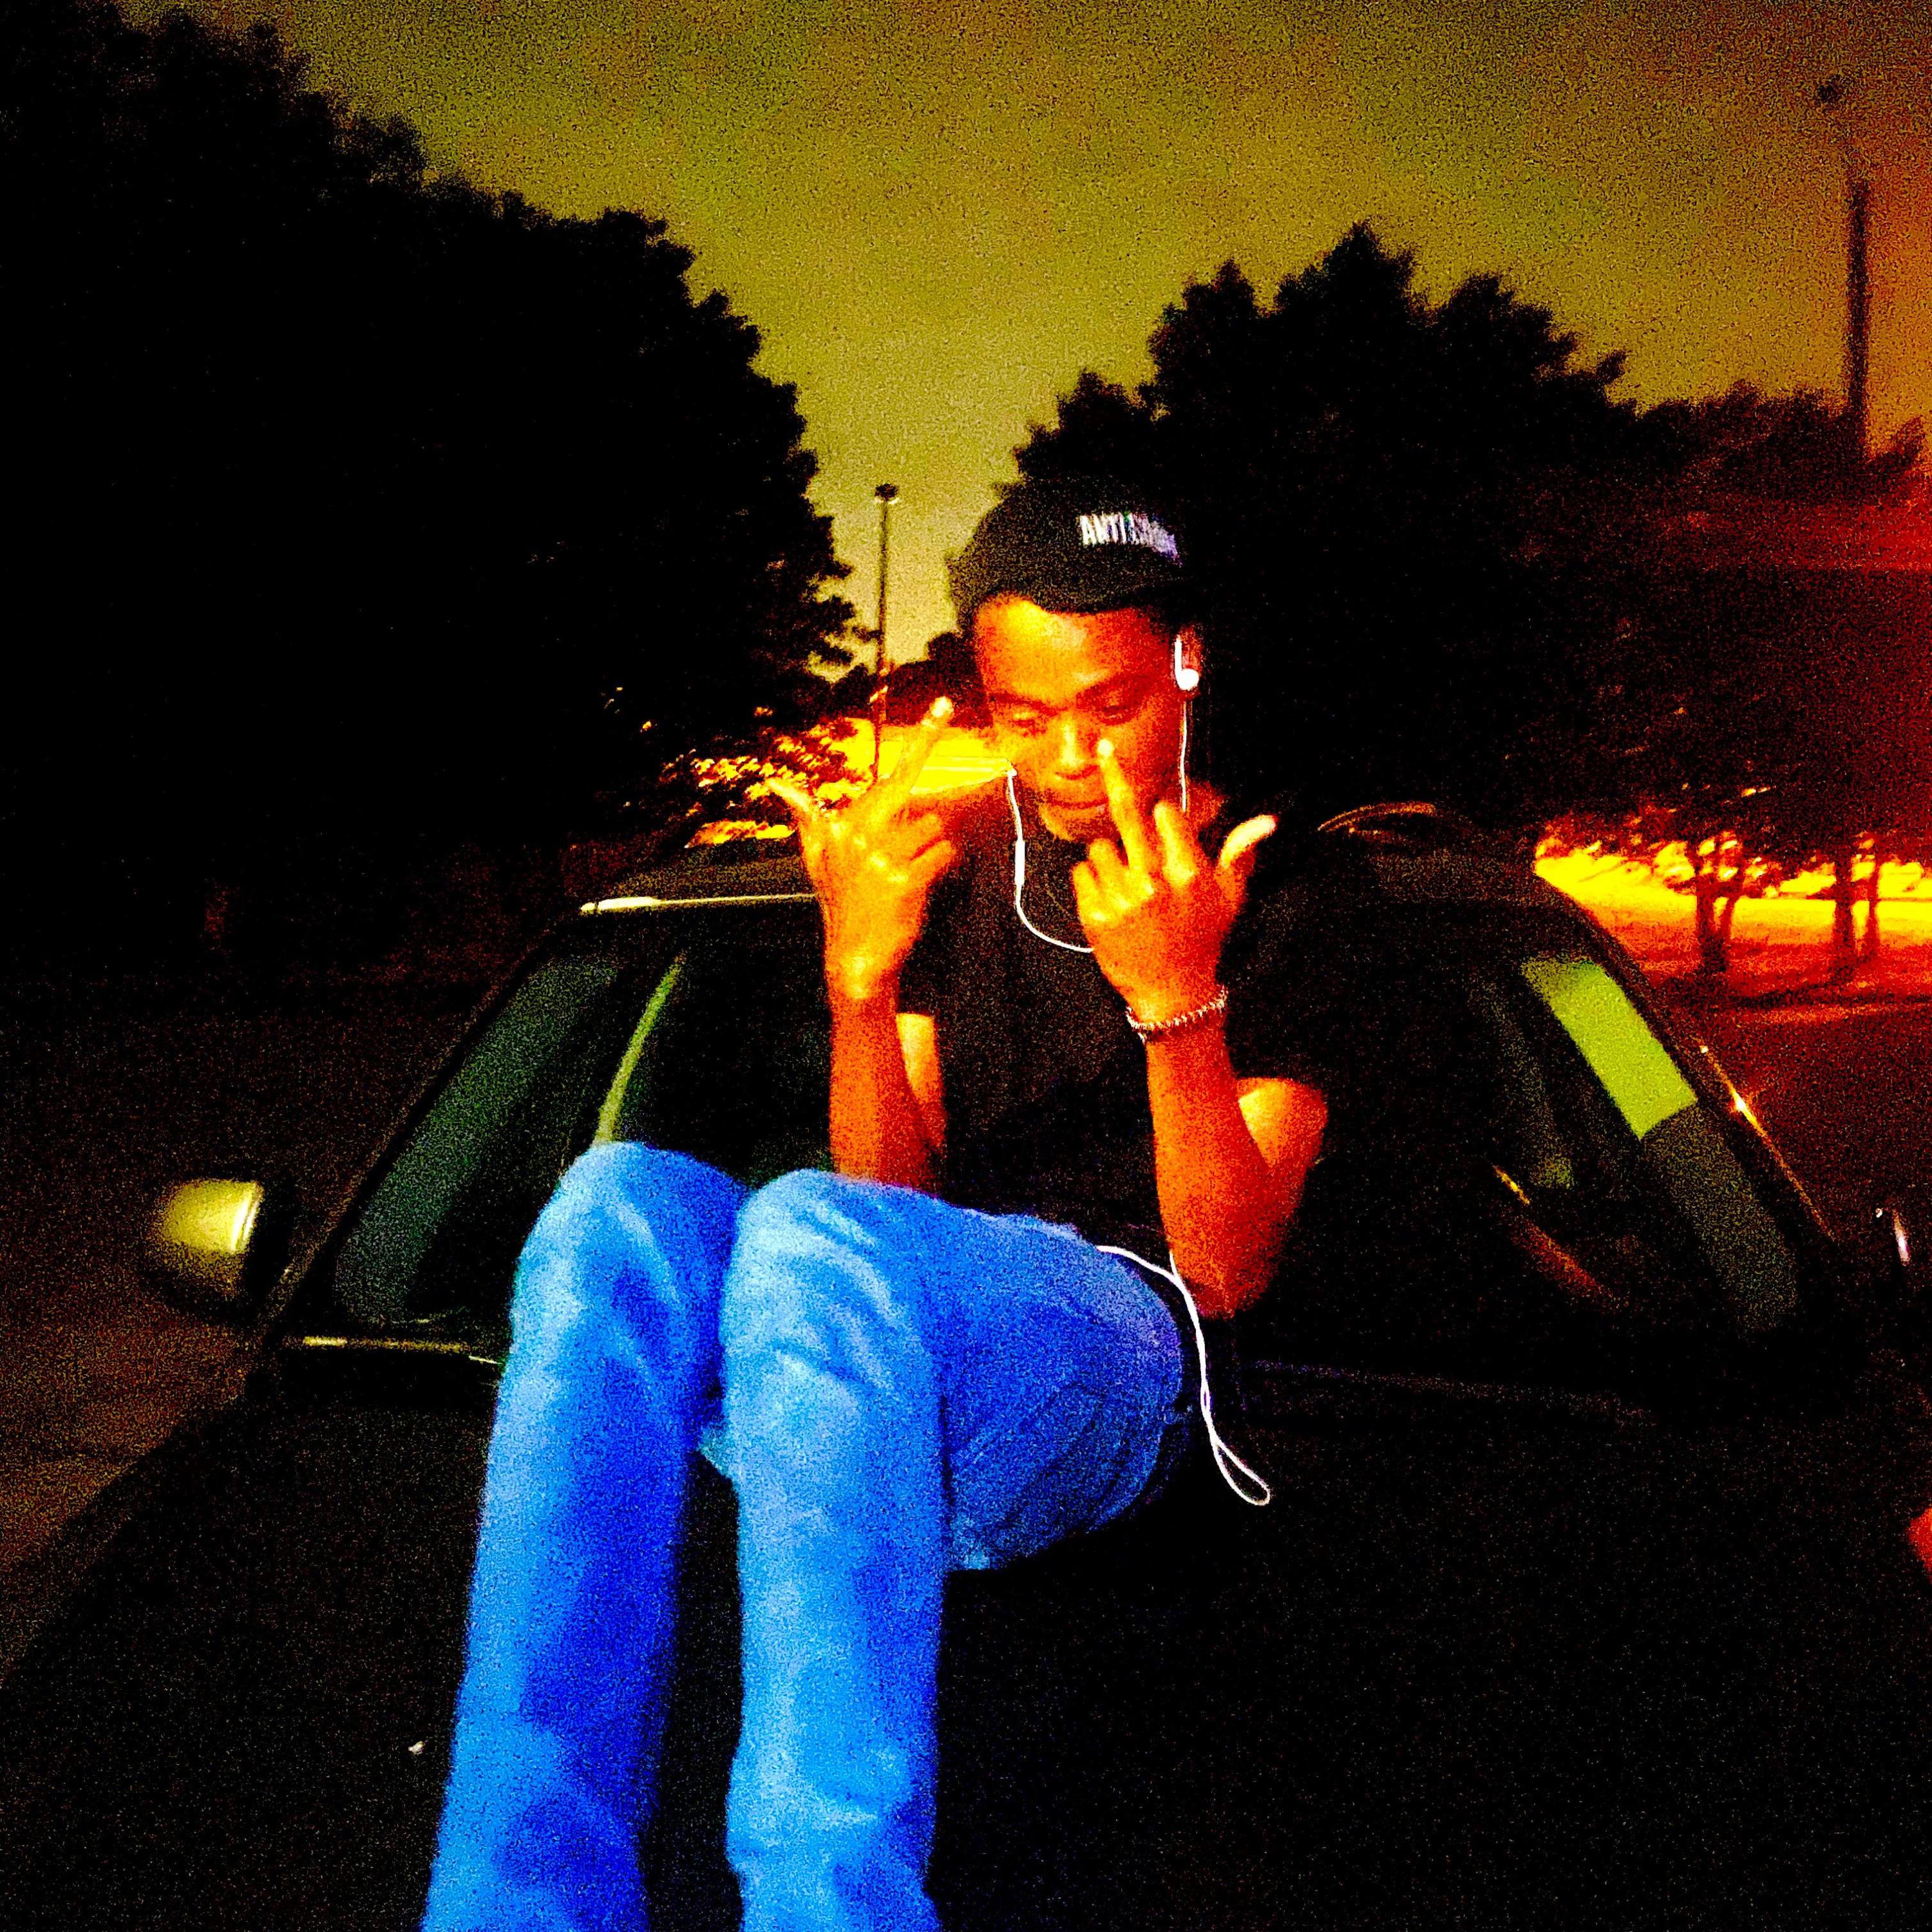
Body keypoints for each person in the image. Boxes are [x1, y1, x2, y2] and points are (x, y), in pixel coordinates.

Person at [421, 477, 1333, 1932]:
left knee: (802, 1227)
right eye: (1026, 717)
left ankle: (831, 1908)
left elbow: (1226, 1267)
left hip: (1121, 1368)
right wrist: (860, 984)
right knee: (610, 1208)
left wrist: (1178, 1004)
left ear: (1186, 661)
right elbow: (885, 1199)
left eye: (1108, 707)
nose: (1071, 755)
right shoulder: (965, 874)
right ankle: (516, 1901)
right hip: (881, 1359)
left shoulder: (1285, 890)